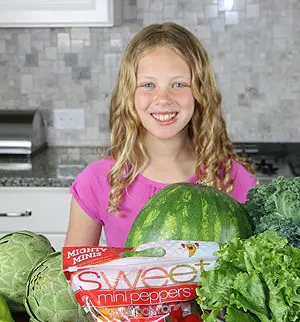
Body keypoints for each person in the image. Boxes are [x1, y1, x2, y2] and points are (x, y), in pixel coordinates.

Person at [64, 22, 257, 248]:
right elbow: (75, 276)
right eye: (148, 84)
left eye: (178, 84)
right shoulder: (98, 181)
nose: (163, 98)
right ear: (129, 94)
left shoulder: (233, 179)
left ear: (200, 92)